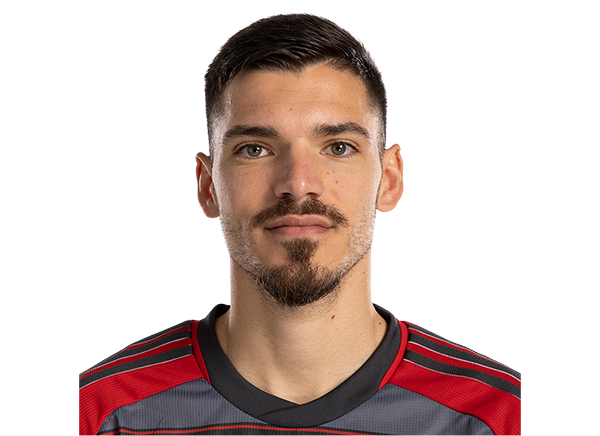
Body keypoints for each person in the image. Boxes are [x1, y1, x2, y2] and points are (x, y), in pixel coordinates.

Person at [79, 13, 521, 436]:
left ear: (388, 180)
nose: (298, 183)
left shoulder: (501, 418)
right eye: (255, 149)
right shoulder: (97, 413)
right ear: (209, 186)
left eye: (338, 147)